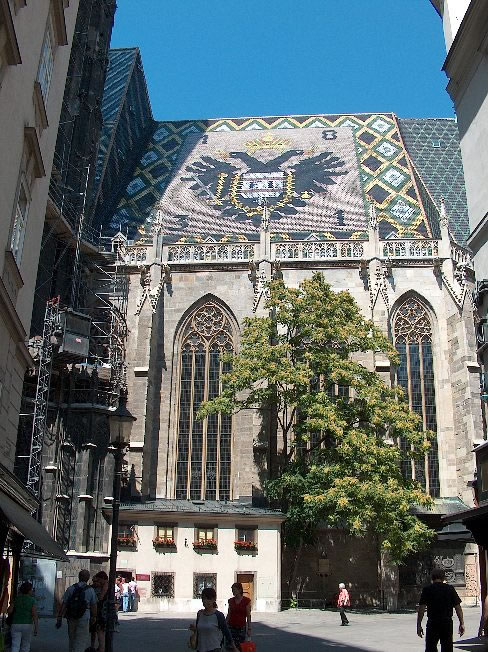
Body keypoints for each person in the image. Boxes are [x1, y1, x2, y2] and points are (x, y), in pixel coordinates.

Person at [417, 567, 465, 652]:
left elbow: (421, 608)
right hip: (446, 622)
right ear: (443, 578)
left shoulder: (427, 589)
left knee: (430, 648)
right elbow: (458, 607)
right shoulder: (450, 589)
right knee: (447, 648)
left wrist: (419, 624)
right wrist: (461, 623)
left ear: (432, 577)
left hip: (433, 622)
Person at [57, 569, 98, 652]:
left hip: (71, 616)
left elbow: (64, 603)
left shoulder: (71, 588)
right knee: (81, 639)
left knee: (72, 637)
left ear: (79, 577)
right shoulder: (90, 590)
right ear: (88, 578)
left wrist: (60, 616)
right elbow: (94, 605)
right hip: (84, 616)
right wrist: (94, 617)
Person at [189, 587, 238, 652]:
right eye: (203, 598)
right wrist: (195, 630)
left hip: (214, 649)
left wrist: (234, 648)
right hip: (200, 649)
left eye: (208, 599)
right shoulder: (200, 614)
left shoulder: (218, 615)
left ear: (214, 599)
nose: (205, 601)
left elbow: (226, 632)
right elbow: (199, 631)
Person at [7, 581, 38, 652]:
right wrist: (36, 628)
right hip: (27, 624)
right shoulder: (32, 600)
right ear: (29, 591)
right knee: (25, 645)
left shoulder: (16, 599)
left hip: (15, 623)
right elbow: (34, 615)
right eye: (31, 589)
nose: (32, 591)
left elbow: (9, 611)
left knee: (15, 645)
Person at [226, 582, 251, 650]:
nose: (233, 592)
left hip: (241, 627)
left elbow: (248, 615)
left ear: (240, 590)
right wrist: (225, 624)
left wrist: (249, 628)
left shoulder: (246, 601)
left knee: (240, 646)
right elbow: (229, 613)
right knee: (230, 646)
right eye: (232, 590)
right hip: (231, 627)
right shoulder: (231, 601)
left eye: (234, 590)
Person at [89, 571, 108, 652]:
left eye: (99, 580)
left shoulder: (105, 585)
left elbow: (101, 597)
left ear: (102, 579)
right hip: (102, 610)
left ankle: (101, 648)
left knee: (100, 629)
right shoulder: (104, 585)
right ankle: (100, 647)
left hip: (102, 610)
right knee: (98, 630)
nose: (98, 582)